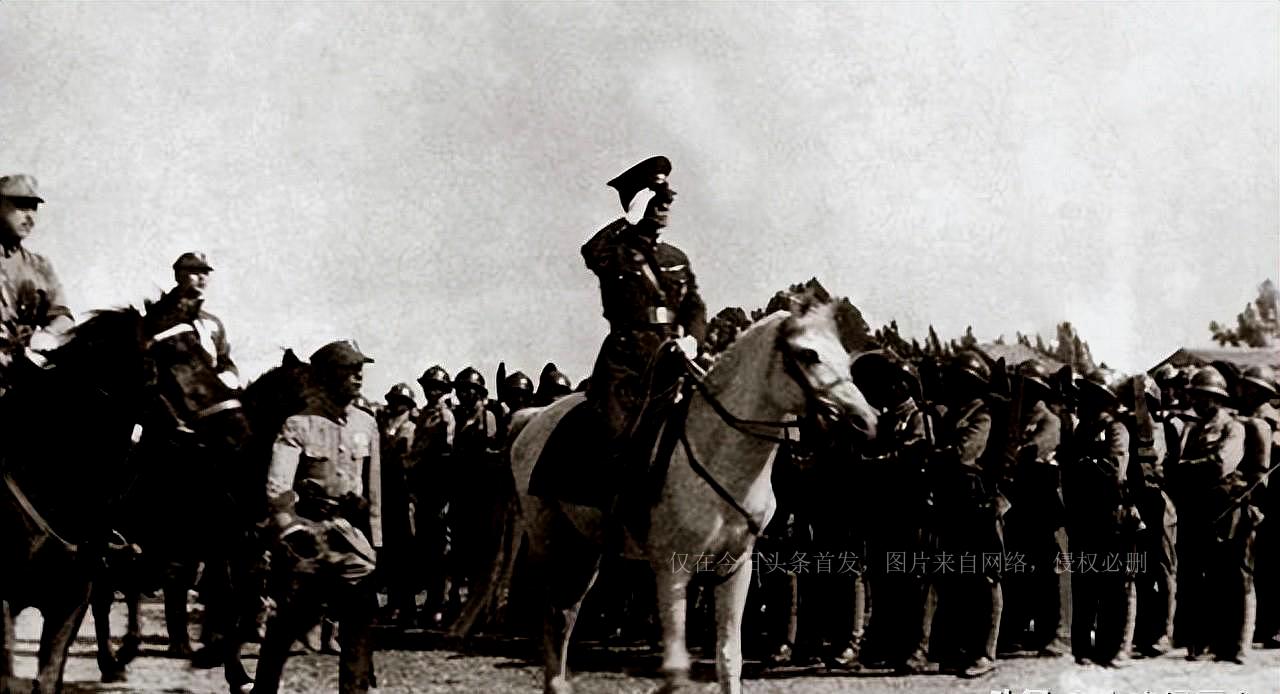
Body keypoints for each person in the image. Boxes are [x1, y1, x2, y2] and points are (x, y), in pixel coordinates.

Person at [254, 340, 381, 694]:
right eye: (348, 371)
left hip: (350, 538)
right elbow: (278, 486)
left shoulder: (366, 423)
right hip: (306, 536)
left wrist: (376, 541)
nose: (358, 377)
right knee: (290, 620)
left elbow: (375, 490)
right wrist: (290, 531)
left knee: (359, 617)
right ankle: (265, 689)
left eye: (360, 371)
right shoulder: (299, 424)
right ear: (325, 377)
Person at [581, 156, 706, 483]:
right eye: (656, 199)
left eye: (667, 199)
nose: (665, 206)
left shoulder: (676, 258)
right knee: (615, 434)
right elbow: (592, 253)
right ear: (639, 204)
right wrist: (627, 221)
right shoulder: (615, 252)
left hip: (673, 357)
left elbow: (694, 307)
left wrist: (693, 339)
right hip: (628, 362)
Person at [927, 351, 1001, 678]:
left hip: (976, 504)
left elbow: (963, 454)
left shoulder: (982, 415)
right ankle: (957, 649)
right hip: (951, 502)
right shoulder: (951, 414)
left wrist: (934, 454)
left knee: (984, 578)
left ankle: (984, 651)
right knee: (954, 577)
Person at [999, 360, 1067, 658]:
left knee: (1044, 571)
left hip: (1040, 503)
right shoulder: (1013, 417)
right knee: (1016, 568)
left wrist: (1013, 452)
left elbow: (1030, 451)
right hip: (1017, 502)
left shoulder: (1049, 420)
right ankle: (1014, 631)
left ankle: (1050, 633)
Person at [0, 174, 73, 392]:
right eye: (21, 206)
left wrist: (47, 335)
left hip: (23, 370)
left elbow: (62, 316)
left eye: (33, 208)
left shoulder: (39, 266)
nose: (30, 216)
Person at [445, 367, 501, 617]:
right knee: (458, 547)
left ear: (479, 392)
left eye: (470, 390)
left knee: (480, 549)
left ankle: (477, 605)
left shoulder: (487, 417)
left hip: (480, 493)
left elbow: (489, 451)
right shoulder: (457, 416)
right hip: (460, 491)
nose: (465, 394)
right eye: (461, 390)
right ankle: (456, 599)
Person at [410, 365, 455, 627]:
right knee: (426, 547)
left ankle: (438, 603)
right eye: (429, 387)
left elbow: (447, 456)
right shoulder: (424, 414)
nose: (432, 391)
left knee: (439, 549)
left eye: (437, 387)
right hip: (423, 487)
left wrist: (445, 495)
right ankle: (430, 602)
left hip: (438, 488)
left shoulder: (445, 416)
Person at [378, 383, 418, 625]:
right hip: (387, 492)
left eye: (401, 402)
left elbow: (406, 459)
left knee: (405, 551)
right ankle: (394, 602)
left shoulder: (410, 428)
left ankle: (407, 606)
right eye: (394, 401)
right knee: (391, 551)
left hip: (404, 492)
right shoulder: (385, 426)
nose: (396, 405)